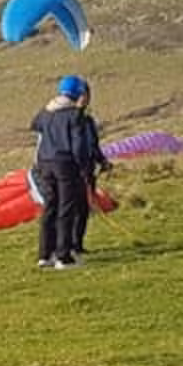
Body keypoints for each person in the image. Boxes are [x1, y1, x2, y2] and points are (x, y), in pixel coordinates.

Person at [31, 75, 89, 268]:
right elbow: (78, 144)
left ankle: (44, 254)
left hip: (44, 163)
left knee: (50, 207)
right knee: (66, 209)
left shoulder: (46, 112)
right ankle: (63, 256)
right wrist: (83, 167)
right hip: (65, 164)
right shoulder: (74, 115)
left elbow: (35, 124)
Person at [70, 89, 111, 257]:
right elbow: (74, 126)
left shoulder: (89, 122)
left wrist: (103, 161)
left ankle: (77, 244)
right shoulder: (69, 120)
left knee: (84, 209)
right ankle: (67, 245)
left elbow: (93, 146)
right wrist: (79, 109)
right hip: (71, 170)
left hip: (88, 170)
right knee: (71, 209)